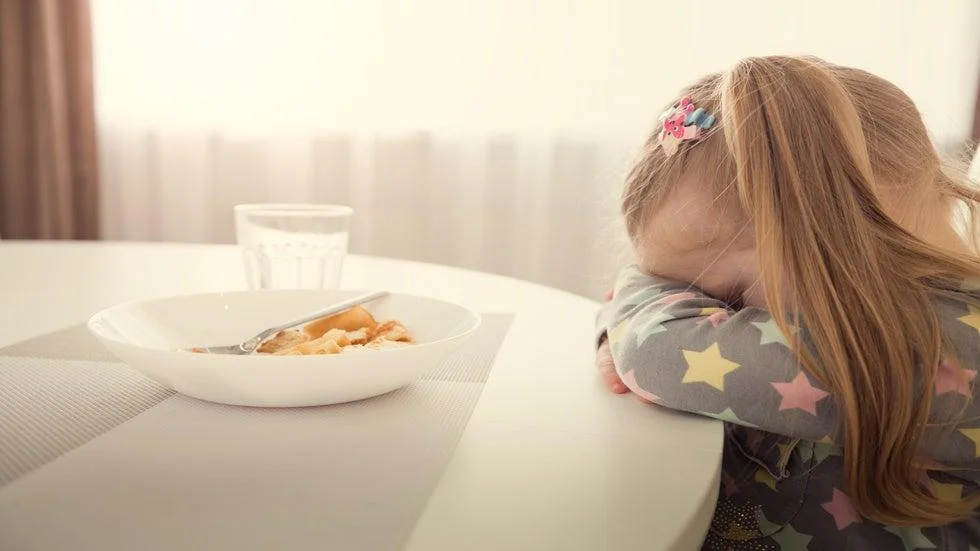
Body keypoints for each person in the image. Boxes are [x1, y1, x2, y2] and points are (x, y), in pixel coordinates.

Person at [595, 56, 980, 549]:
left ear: (838, 225)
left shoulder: (943, 351)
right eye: (692, 296)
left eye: (728, 298)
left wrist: (632, 306)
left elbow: (654, 351)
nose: (712, 320)